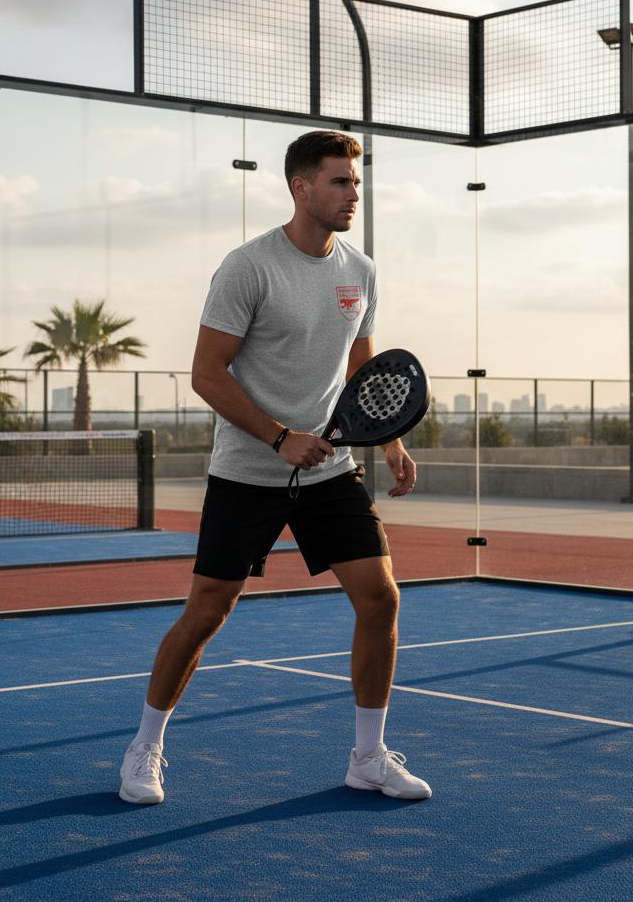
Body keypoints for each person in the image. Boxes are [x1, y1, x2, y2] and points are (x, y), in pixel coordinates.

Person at [118, 130, 431, 805]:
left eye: (356, 182)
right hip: (248, 471)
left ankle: (369, 757)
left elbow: (362, 365)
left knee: (380, 598)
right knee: (207, 611)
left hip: (329, 470)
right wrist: (279, 436)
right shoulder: (247, 267)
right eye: (340, 182)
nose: (354, 194)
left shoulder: (361, 270)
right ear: (301, 187)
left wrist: (390, 441)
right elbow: (207, 373)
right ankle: (145, 747)